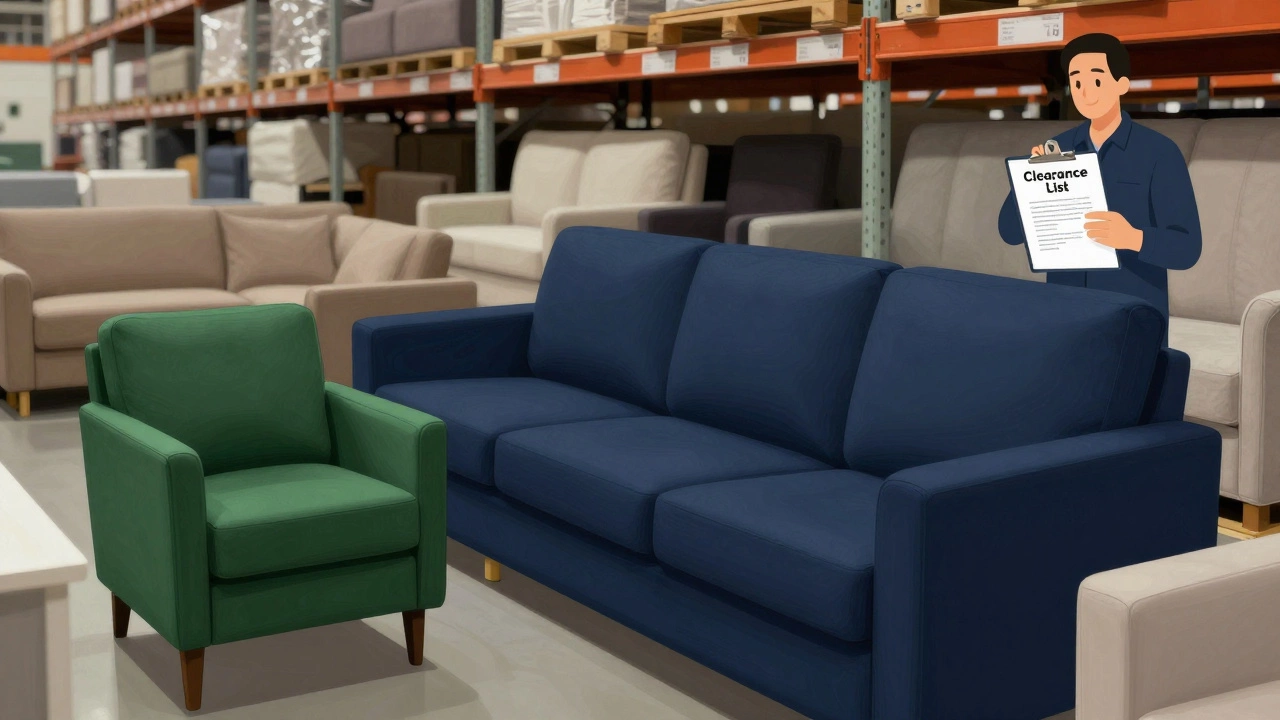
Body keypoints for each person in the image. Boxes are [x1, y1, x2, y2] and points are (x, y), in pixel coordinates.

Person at [998, 33, 1201, 333]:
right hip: (1064, 317)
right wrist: (1030, 181)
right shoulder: (1058, 147)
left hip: (1131, 320)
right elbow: (1009, 232)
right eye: (1076, 82)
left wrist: (1133, 238)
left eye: (1096, 81)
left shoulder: (1159, 152)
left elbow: (1188, 247)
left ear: (1122, 84)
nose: (1085, 92)